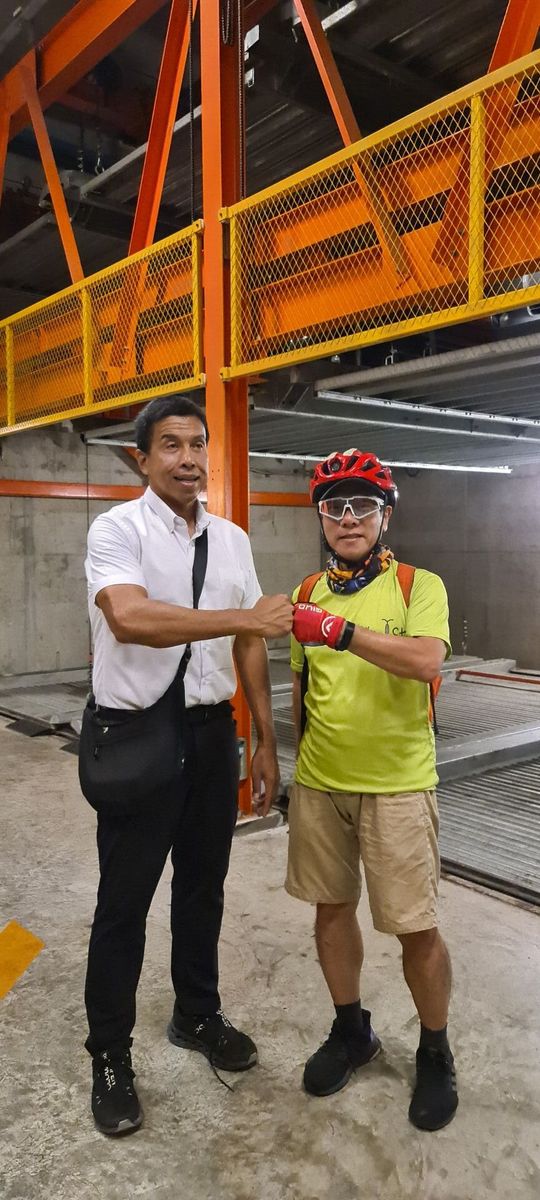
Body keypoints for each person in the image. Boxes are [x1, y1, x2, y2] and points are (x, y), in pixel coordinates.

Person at [83, 394, 293, 1135]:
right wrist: (244, 617)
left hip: (210, 738)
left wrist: (263, 738)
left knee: (203, 888)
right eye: (170, 445)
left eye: (198, 443)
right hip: (140, 736)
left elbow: (248, 644)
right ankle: (110, 1055)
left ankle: (196, 1013)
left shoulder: (231, 539)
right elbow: (129, 617)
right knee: (124, 904)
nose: (189, 458)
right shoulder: (118, 530)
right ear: (142, 459)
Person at [287, 449, 458, 1131]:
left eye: (363, 505)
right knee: (331, 910)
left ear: (385, 516)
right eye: (335, 507)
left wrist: (341, 631)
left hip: (398, 786)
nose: (349, 518)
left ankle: (435, 1049)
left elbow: (426, 661)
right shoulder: (306, 591)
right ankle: (351, 1029)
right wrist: (289, 762)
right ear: (321, 519)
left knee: (416, 927)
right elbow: (302, 687)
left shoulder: (419, 586)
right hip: (320, 784)